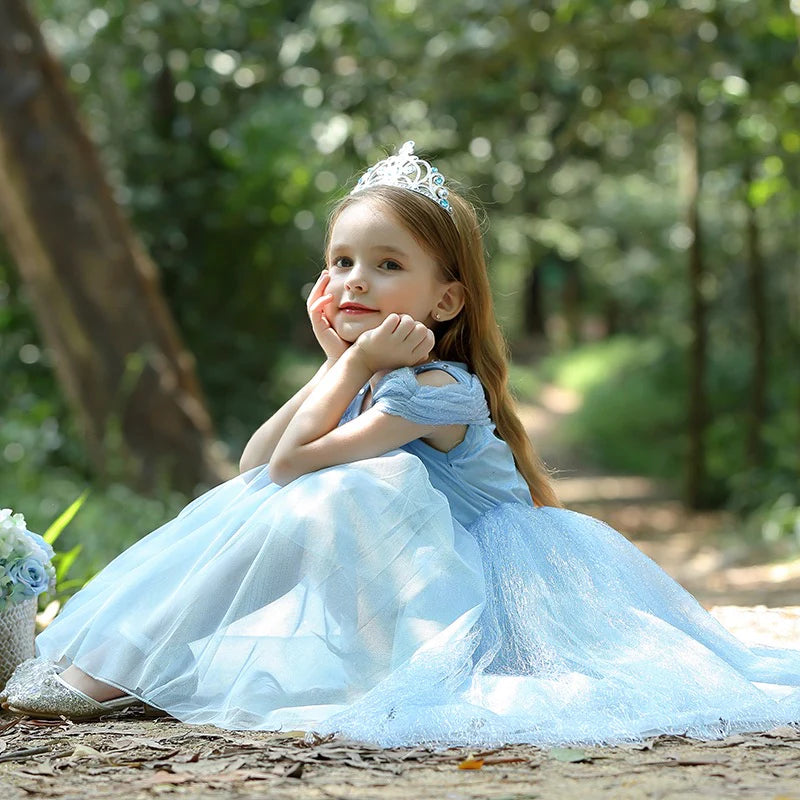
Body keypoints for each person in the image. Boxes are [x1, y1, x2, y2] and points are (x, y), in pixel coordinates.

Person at [3, 142, 800, 748]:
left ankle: (105, 677)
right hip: (425, 571)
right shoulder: (374, 375)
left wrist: (349, 364)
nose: (355, 282)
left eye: (387, 266)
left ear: (445, 297)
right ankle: (119, 663)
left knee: (354, 484)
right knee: (303, 493)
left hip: (499, 587)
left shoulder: (438, 390)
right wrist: (336, 366)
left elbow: (294, 465)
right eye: (341, 262)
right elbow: (255, 465)